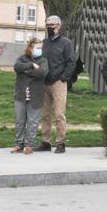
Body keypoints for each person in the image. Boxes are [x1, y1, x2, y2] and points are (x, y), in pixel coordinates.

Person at [36, 15, 76, 154]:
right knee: (45, 115)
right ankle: (46, 142)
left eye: (52, 25)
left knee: (59, 114)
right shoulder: (44, 42)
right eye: (47, 24)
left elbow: (71, 62)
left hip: (58, 82)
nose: (49, 27)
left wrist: (64, 78)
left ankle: (60, 143)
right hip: (44, 82)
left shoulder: (66, 43)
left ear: (59, 26)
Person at [12, 37, 48, 154]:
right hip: (20, 95)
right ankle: (19, 144)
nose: (40, 50)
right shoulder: (22, 58)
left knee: (33, 121)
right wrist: (31, 66)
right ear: (31, 48)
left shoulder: (43, 61)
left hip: (36, 96)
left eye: (41, 48)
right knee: (19, 120)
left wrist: (26, 71)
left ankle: (30, 146)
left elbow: (42, 73)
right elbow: (17, 67)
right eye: (38, 48)